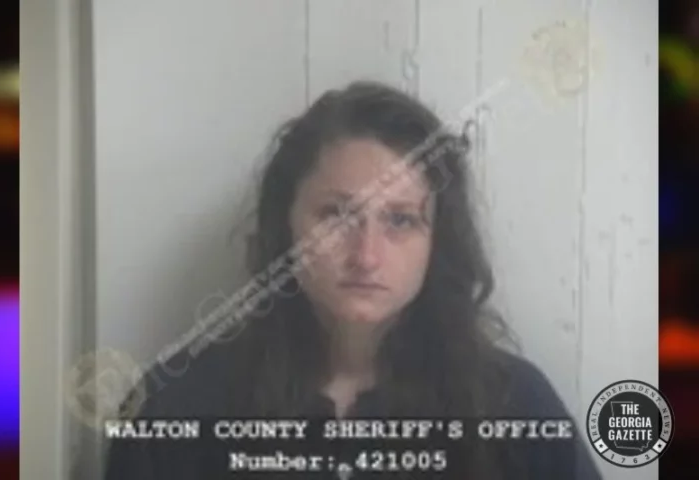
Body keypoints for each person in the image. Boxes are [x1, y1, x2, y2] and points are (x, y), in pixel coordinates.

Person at [103, 81, 603, 479]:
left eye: (400, 220)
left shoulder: (513, 405)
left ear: (438, 242)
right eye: (336, 216)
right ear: (285, 226)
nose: (366, 256)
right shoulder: (177, 406)